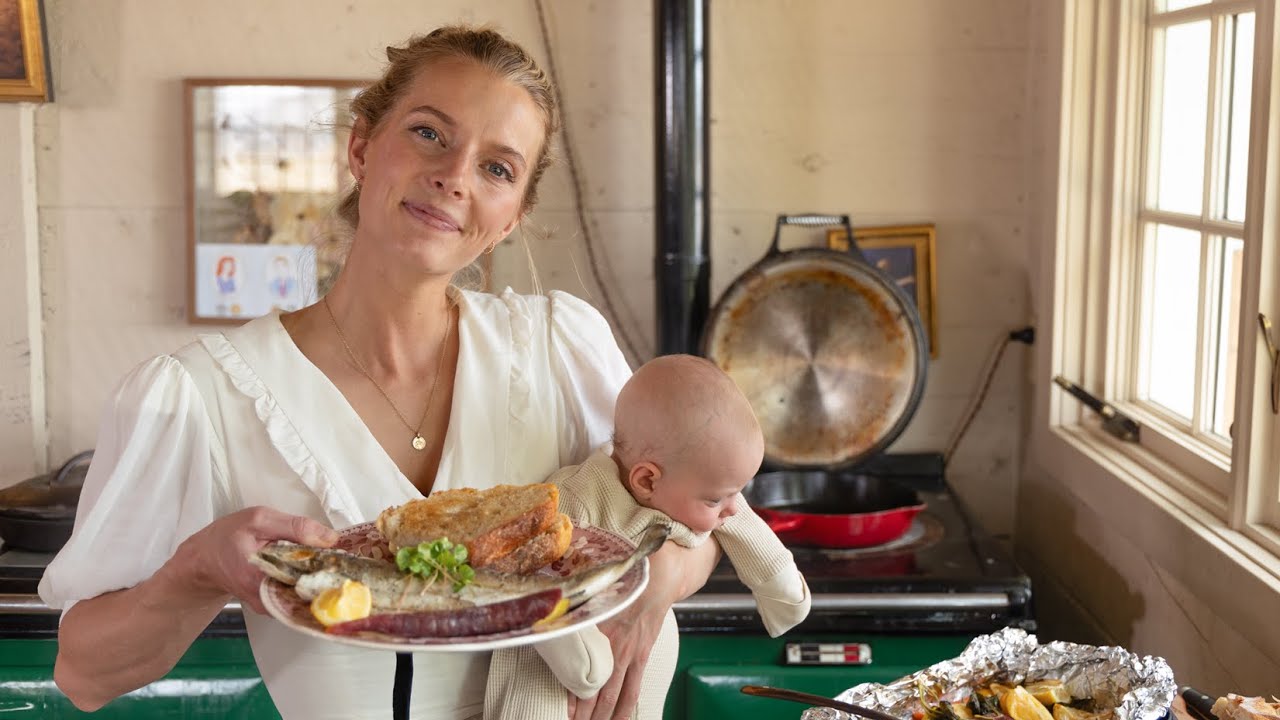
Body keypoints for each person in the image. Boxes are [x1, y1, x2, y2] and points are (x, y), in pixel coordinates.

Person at [38, 25, 720, 720]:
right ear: (361, 147)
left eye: (497, 168)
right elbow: (84, 675)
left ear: (512, 217)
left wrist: (654, 584)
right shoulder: (200, 396)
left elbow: (712, 519)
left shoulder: (560, 346)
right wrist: (198, 569)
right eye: (429, 134)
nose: (454, 176)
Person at [486, 354, 812, 720]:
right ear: (647, 481)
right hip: (548, 686)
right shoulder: (578, 497)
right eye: (716, 499)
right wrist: (574, 650)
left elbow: (753, 539)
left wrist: (786, 597)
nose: (733, 509)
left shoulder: (703, 489)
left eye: (737, 492)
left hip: (639, 692)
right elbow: (531, 578)